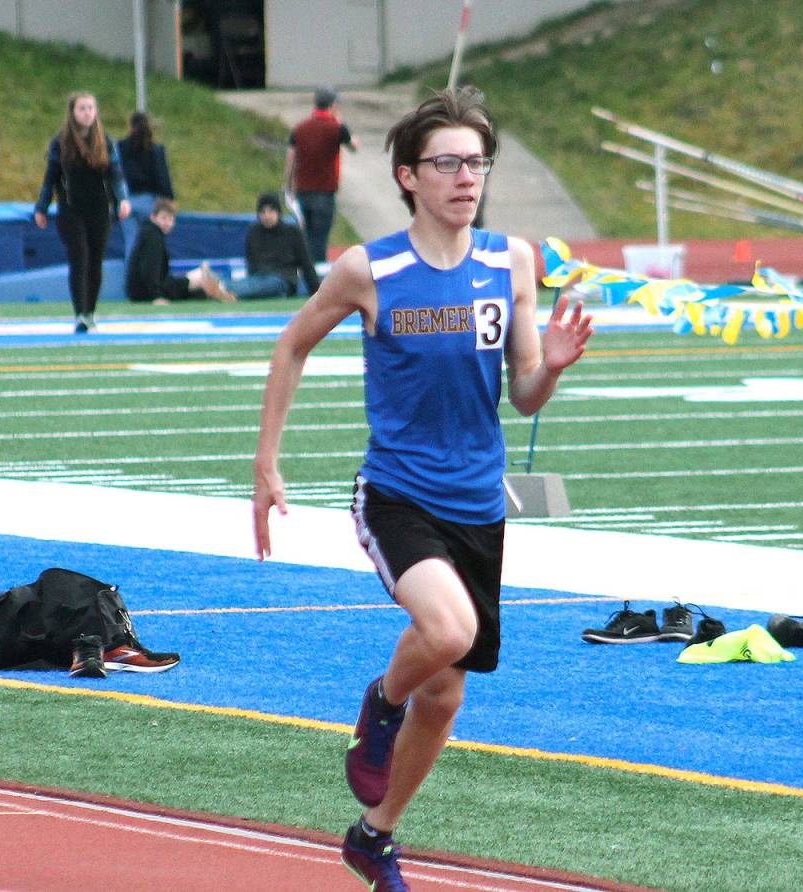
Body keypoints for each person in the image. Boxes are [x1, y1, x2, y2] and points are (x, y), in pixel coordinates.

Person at [252, 87, 593, 890]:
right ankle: (378, 704)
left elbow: (524, 393)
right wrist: (267, 461)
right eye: (447, 162)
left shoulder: (512, 261)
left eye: (476, 162)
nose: (465, 177)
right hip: (399, 494)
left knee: (445, 699)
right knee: (444, 630)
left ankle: (374, 836)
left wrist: (554, 366)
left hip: (480, 504)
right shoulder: (369, 269)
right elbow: (291, 344)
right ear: (408, 175)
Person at [34, 92, 131, 334]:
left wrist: (122, 199)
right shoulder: (61, 143)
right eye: (82, 108)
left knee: (95, 260)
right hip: (71, 209)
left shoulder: (105, 142)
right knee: (80, 256)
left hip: (99, 208)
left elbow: (116, 174)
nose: (87, 113)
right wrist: (42, 207)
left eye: (90, 108)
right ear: (73, 113)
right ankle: (80, 313)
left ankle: (90, 311)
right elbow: (51, 178)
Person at [285, 86, 359, 267]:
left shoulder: (300, 129)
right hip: (325, 193)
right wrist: (342, 123)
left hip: (303, 192)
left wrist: (289, 187)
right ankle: (316, 279)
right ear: (333, 105)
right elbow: (353, 147)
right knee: (320, 239)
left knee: (306, 237)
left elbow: (291, 162)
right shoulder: (337, 128)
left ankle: (305, 272)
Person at [125, 198, 235, 304]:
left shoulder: (150, 233)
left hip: (145, 290)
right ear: (153, 217)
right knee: (201, 276)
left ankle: (218, 289)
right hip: (146, 293)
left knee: (199, 290)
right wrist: (156, 297)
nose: (167, 223)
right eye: (164, 218)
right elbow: (149, 271)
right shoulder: (153, 237)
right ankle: (224, 290)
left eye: (171, 219)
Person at [221, 192, 320, 299]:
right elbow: (251, 262)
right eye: (263, 212)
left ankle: (222, 288)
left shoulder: (292, 232)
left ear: (278, 212)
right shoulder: (254, 232)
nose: (267, 216)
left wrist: (316, 291)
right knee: (252, 283)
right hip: (258, 278)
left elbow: (306, 263)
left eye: (271, 211)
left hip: (282, 280)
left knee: (269, 284)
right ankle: (218, 288)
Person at [117, 111, 175, 263]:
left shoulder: (120, 147)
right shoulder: (155, 150)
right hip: (150, 202)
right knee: (153, 242)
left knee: (131, 242)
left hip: (127, 202)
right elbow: (162, 177)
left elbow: (115, 174)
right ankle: (152, 281)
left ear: (130, 126)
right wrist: (169, 200)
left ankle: (130, 283)